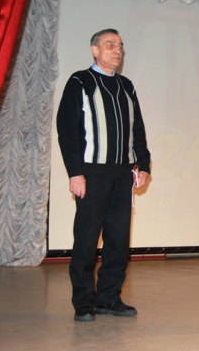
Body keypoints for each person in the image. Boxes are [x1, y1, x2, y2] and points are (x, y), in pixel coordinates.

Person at [56, 28, 151, 322]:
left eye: (120, 45)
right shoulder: (80, 82)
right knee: (86, 240)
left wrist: (144, 164)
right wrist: (75, 173)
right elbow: (67, 130)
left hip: (123, 174)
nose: (117, 50)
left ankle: (109, 298)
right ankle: (84, 301)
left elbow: (137, 128)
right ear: (95, 50)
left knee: (118, 240)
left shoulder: (127, 86)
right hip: (92, 173)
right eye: (110, 45)